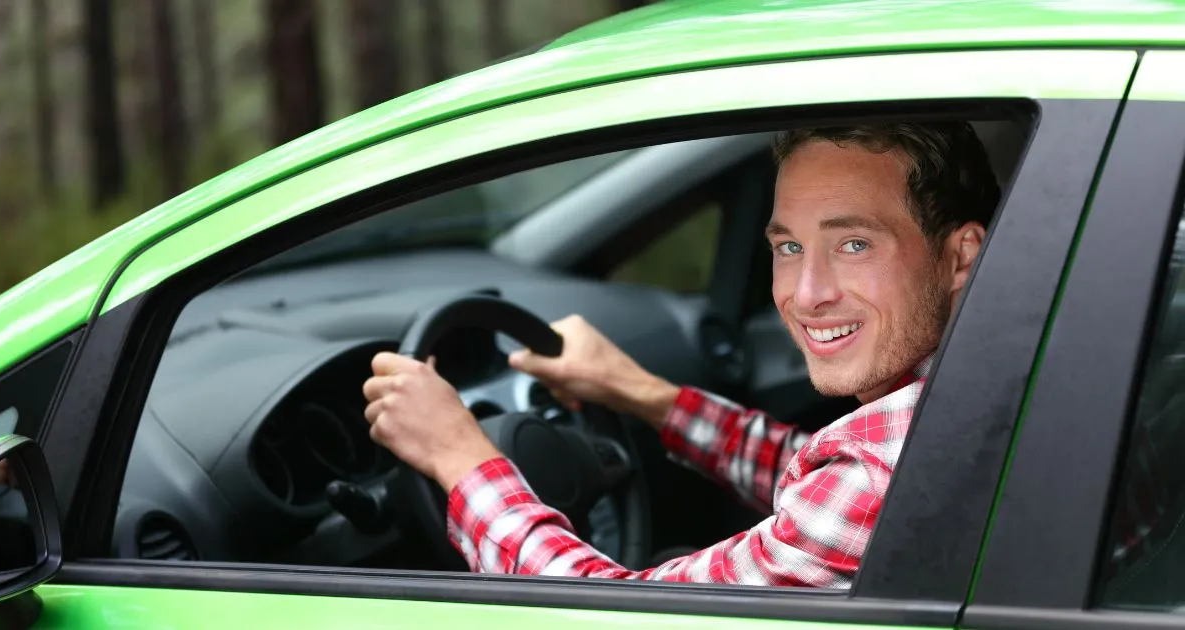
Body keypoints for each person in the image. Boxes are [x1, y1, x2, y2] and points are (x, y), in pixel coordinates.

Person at [361, 121, 1001, 587]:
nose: (806, 296)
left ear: (960, 257)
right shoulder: (979, 387)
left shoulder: (875, 479)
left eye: (855, 245)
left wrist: (460, 457)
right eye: (789, 248)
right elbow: (809, 474)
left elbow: (614, 615)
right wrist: (644, 394)